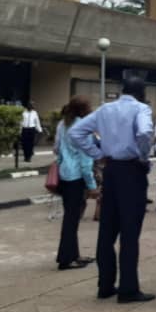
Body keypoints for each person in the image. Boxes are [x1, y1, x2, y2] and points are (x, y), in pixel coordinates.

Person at [69, 77, 155, 302]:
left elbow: (76, 133)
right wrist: (143, 156)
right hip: (132, 170)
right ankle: (128, 288)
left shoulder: (105, 109)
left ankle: (105, 285)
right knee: (130, 233)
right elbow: (145, 133)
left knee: (107, 231)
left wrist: (98, 154)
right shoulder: (141, 108)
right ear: (141, 92)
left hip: (112, 170)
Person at [54, 97, 97, 269]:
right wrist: (92, 186)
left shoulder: (62, 124)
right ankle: (66, 259)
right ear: (83, 110)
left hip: (64, 174)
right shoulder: (83, 128)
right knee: (72, 219)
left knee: (71, 217)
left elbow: (56, 148)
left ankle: (74, 255)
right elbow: (86, 161)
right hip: (77, 177)